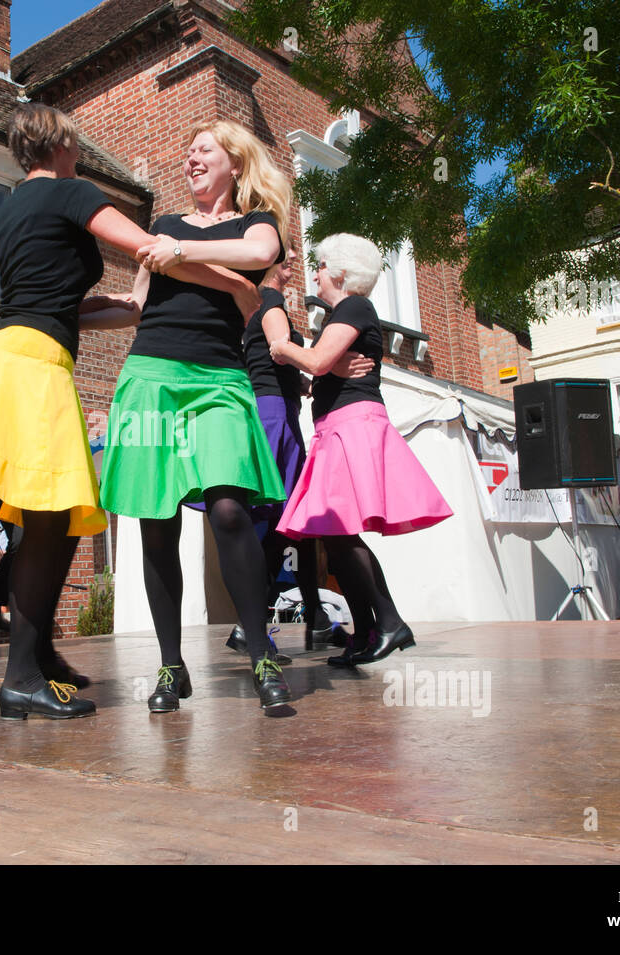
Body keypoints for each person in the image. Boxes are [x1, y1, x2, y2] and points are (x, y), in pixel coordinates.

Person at [0, 104, 257, 720]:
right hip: (36, 370)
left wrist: (125, 308)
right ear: (64, 143)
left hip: (13, 352)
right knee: (47, 519)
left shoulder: (10, 207)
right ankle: (19, 677)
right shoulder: (74, 192)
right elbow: (152, 247)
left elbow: (53, 304)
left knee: (57, 516)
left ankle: (38, 654)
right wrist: (231, 282)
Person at [99, 119, 302, 713]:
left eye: (203, 151)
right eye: (186, 152)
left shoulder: (254, 225)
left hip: (219, 379)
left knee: (230, 510)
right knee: (156, 521)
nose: (191, 159)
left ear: (234, 162)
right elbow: (136, 304)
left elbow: (260, 256)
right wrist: (61, 314)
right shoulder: (161, 226)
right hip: (151, 378)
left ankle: (261, 651)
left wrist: (180, 254)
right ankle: (170, 666)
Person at [268, 233, 452, 667]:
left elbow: (314, 362)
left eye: (320, 265)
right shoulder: (344, 314)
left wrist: (283, 347)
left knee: (337, 533)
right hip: (341, 426)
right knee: (336, 535)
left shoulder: (352, 306)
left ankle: (387, 623)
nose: (315, 273)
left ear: (340, 273)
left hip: (351, 428)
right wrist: (323, 371)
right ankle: (371, 629)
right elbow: (319, 370)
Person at [226, 245, 374, 656]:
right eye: (285, 256)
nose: (293, 262)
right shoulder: (269, 301)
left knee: (300, 523)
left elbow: (279, 366)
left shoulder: (263, 303)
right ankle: (254, 623)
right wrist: (327, 364)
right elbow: (278, 347)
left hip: (278, 407)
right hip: (272, 412)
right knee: (286, 522)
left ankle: (314, 619)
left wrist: (314, 378)